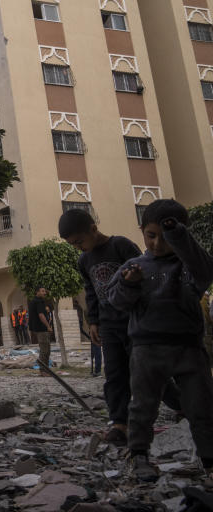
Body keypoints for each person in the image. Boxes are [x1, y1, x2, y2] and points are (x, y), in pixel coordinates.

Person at [108, 199, 213, 482]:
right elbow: (117, 301)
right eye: (150, 236)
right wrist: (129, 284)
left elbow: (205, 273)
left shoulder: (189, 264)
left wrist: (179, 237)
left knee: (200, 407)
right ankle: (139, 455)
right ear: (142, 231)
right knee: (142, 406)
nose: (156, 244)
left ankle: (209, 459)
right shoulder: (133, 265)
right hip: (147, 350)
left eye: (164, 237)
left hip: (188, 349)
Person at [59, 208, 182, 447]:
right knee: (115, 374)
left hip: (135, 323)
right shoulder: (84, 260)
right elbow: (91, 293)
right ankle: (119, 423)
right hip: (108, 325)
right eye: (73, 244)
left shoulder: (121, 246)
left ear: (93, 229)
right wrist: (93, 321)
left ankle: (183, 405)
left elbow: (147, 275)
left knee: (149, 372)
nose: (78, 247)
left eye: (79, 241)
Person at [28, 287, 52, 369]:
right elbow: (41, 315)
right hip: (41, 329)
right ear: (37, 292)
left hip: (38, 329)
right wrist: (48, 326)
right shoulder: (38, 302)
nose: (45, 293)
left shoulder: (33, 301)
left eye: (45, 291)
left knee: (46, 350)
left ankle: (45, 369)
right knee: (45, 351)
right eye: (42, 291)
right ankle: (43, 370)